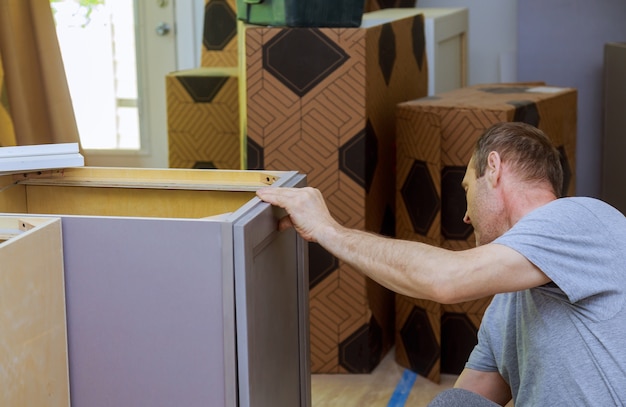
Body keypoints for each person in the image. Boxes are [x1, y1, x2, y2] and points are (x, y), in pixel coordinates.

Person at [256, 121, 626, 406]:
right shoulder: (508, 307)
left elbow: (443, 280)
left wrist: (327, 230)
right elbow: (467, 399)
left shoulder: (578, 218)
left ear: (493, 168)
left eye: (466, 189)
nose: (465, 216)